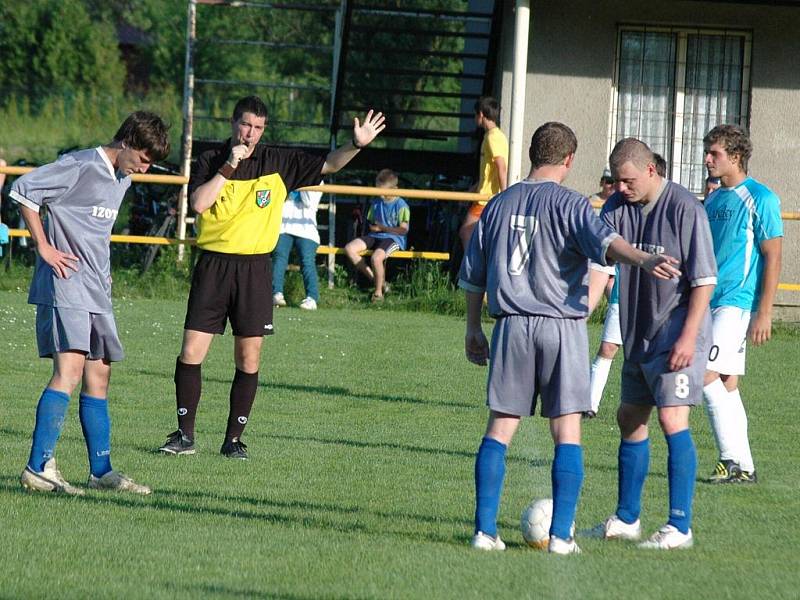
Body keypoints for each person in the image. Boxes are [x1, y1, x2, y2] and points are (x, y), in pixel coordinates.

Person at [459, 122, 680, 554]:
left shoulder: (499, 204)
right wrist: (644, 257)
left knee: (499, 429)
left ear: (530, 154)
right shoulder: (572, 204)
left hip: (512, 324)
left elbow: (473, 276)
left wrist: (472, 328)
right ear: (569, 160)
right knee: (568, 432)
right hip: (562, 327)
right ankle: (561, 537)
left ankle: (484, 533)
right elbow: (609, 244)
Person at [159, 96, 384, 460]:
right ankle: (184, 435)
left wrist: (355, 145)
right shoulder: (209, 160)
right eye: (246, 125)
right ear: (233, 123)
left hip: (254, 270)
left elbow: (329, 164)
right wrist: (230, 165)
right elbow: (199, 204)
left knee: (249, 358)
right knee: (191, 352)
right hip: (214, 266)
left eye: (258, 128)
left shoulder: (278, 161)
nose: (251, 134)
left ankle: (233, 440)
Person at [10, 112, 171, 495]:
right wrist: (44, 247)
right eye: (144, 159)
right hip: (67, 283)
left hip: (97, 288)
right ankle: (37, 467)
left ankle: (101, 471)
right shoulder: (80, 165)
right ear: (128, 141)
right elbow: (23, 190)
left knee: (99, 375)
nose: (146, 169)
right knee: (69, 372)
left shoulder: (123, 177)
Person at [588, 138, 717, 550]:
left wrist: (687, 337)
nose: (620, 189)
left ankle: (680, 526)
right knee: (629, 417)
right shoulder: (617, 207)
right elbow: (600, 249)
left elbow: (704, 282)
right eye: (615, 182)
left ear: (650, 171)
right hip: (638, 332)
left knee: (672, 420)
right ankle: (627, 519)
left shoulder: (685, 209)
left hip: (678, 332)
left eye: (627, 181)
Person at [701, 124, 783, 483]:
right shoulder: (715, 198)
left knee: (703, 374)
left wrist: (763, 312)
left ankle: (730, 459)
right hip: (709, 301)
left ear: (735, 157)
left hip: (736, 302)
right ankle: (744, 466)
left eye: (714, 153)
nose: (707, 159)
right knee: (728, 384)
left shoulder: (761, 198)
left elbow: (773, 255)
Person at [344, 169, 410, 302]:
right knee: (349, 248)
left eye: (383, 191)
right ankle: (377, 281)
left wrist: (383, 228)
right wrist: (375, 228)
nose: (379, 194)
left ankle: (378, 293)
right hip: (376, 235)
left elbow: (403, 230)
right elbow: (372, 224)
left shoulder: (401, 205)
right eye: (377, 189)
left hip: (393, 238)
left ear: (394, 189)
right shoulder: (376, 202)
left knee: (376, 258)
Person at [459, 96, 508, 249]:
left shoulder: (493, 137)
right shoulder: (492, 136)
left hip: (485, 199)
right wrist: (473, 190)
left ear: (481, 114)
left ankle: (472, 270)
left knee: (465, 232)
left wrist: (504, 196)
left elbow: (501, 166)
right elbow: (489, 172)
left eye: (475, 115)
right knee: (479, 236)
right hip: (483, 195)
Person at [272, 181, 324, 310]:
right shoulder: (285, 172)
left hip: (307, 229)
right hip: (283, 226)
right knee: (279, 258)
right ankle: (276, 293)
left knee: (307, 261)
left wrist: (300, 180)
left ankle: (312, 298)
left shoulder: (318, 179)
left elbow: (309, 202)